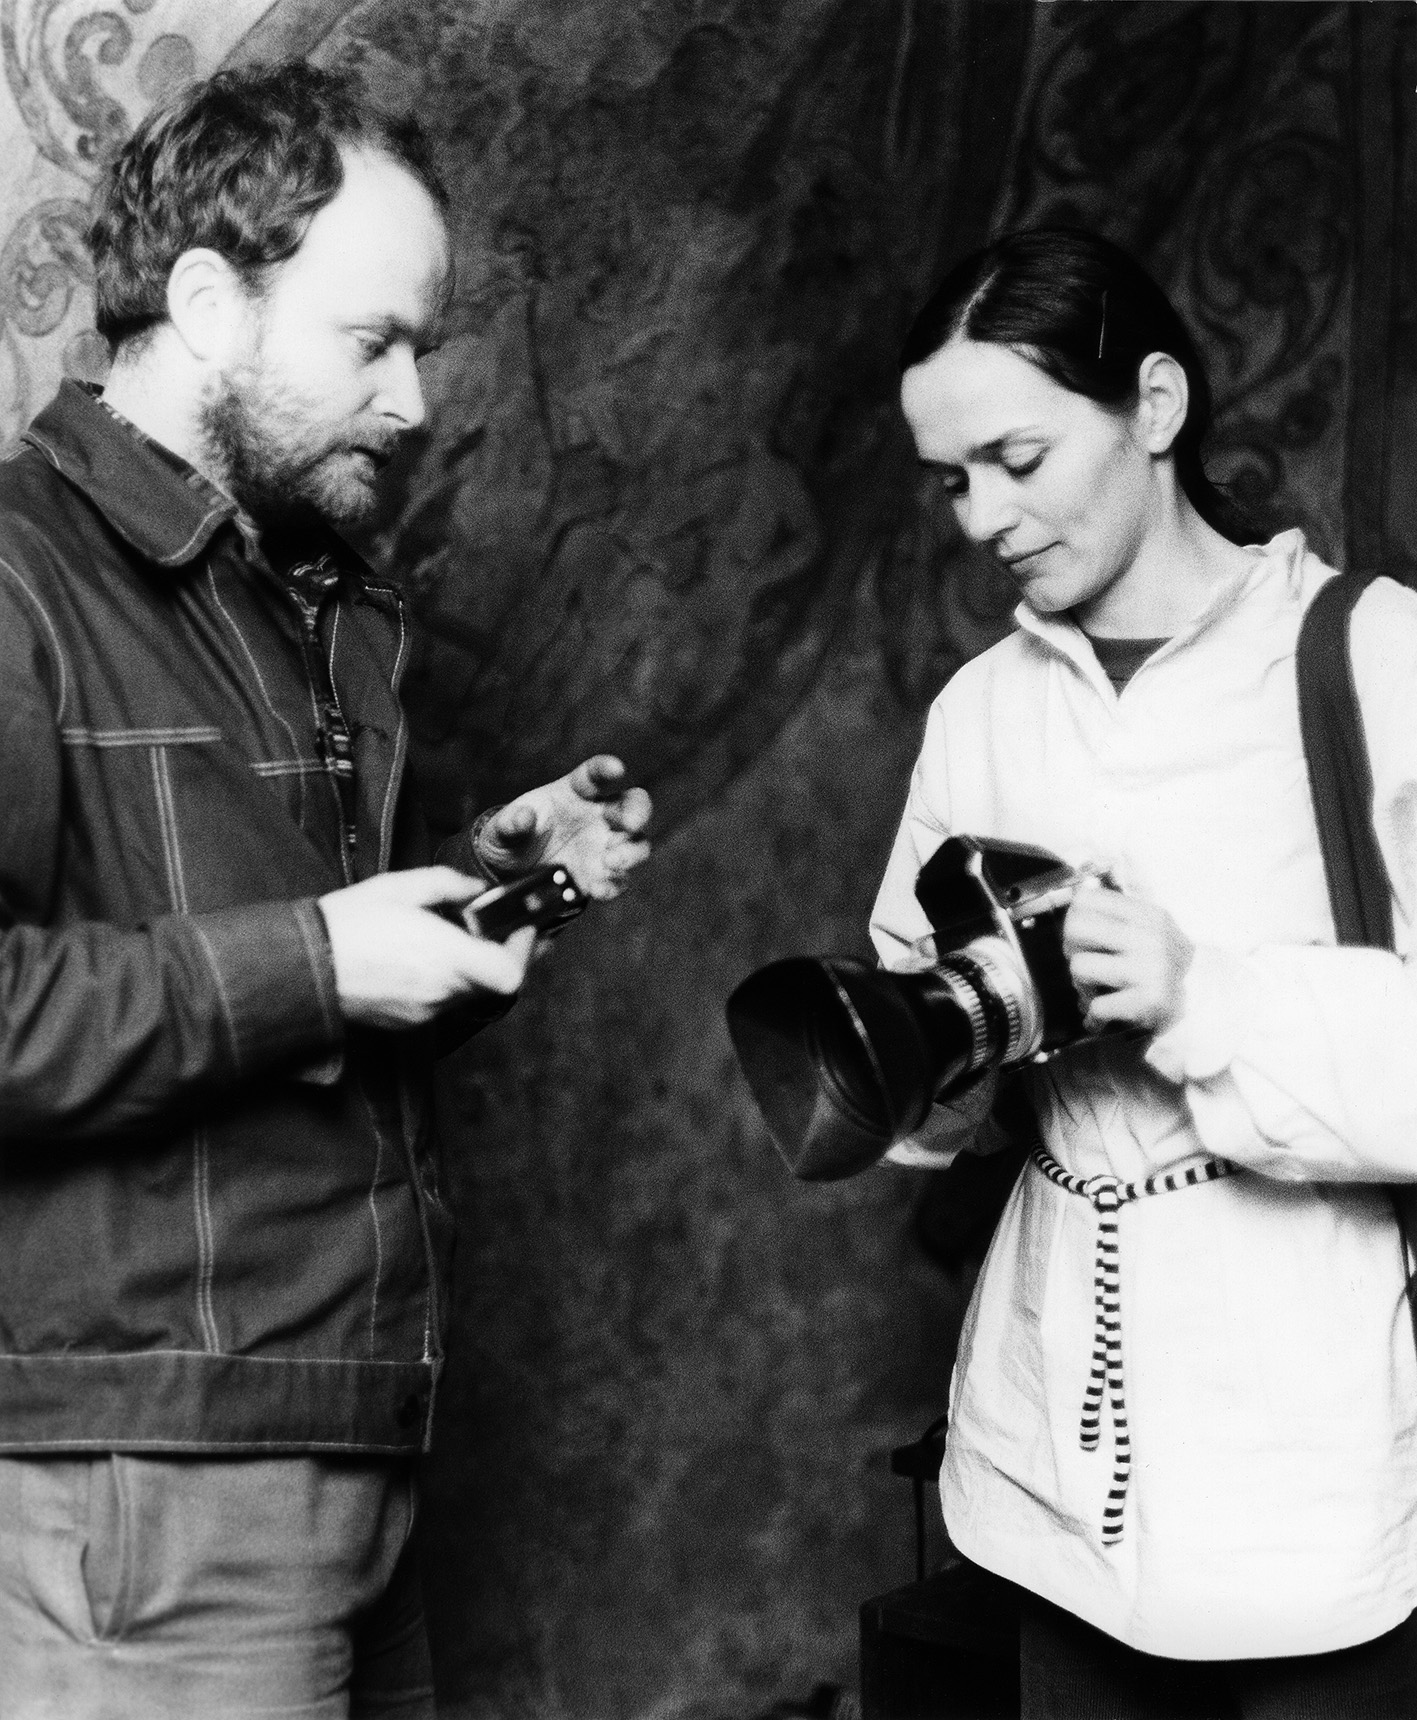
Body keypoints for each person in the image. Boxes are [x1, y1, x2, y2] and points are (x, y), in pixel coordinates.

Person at [0, 60, 650, 1719]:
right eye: (372, 342)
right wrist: (317, 957)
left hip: (351, 1441)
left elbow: (286, 992)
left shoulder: (309, 591)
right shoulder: (16, 578)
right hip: (147, 1484)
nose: (415, 400)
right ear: (208, 302)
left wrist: (469, 898)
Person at [871, 227, 1417, 1716]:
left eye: (1016, 456)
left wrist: (1197, 994)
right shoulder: (979, 708)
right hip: (1050, 1446)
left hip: (1303, 1444)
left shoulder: (1367, 661)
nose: (982, 514)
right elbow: (937, 1095)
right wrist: (926, 1041)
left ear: (1155, 406)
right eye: (950, 479)